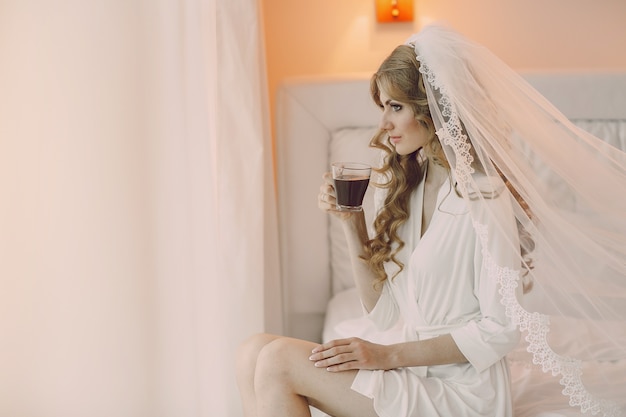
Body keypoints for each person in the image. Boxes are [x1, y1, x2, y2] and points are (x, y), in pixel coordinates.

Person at [236, 24, 626, 417]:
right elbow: (385, 312)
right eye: (383, 107)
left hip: (465, 391)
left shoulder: (484, 197)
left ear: (433, 109)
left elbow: (500, 330)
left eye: (396, 107)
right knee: (252, 350)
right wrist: (350, 221)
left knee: (278, 361)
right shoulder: (412, 186)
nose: (383, 125)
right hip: (415, 374)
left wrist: (385, 356)